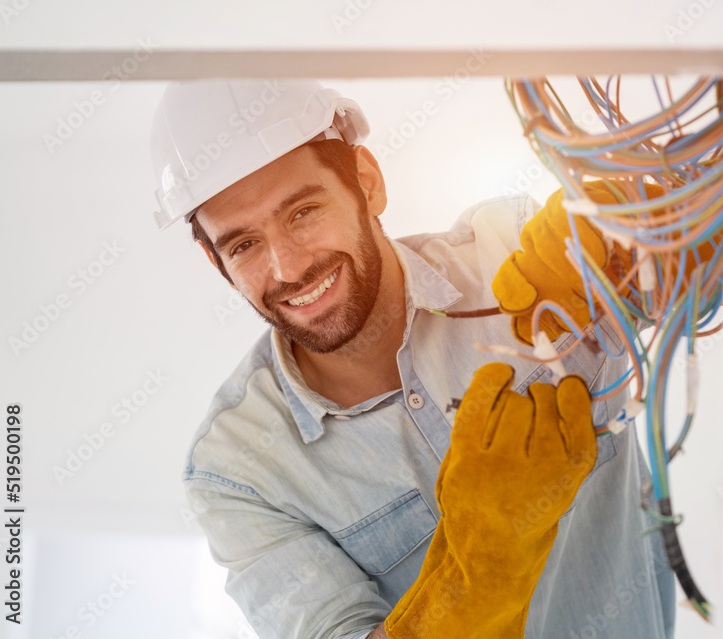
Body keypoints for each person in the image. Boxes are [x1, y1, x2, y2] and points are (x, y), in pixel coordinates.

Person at [152, 79, 677, 638]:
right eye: (244, 245)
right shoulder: (238, 471)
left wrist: (651, 228)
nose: (287, 268)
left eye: (303, 212)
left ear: (368, 184)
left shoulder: (519, 250)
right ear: (217, 263)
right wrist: (471, 581)